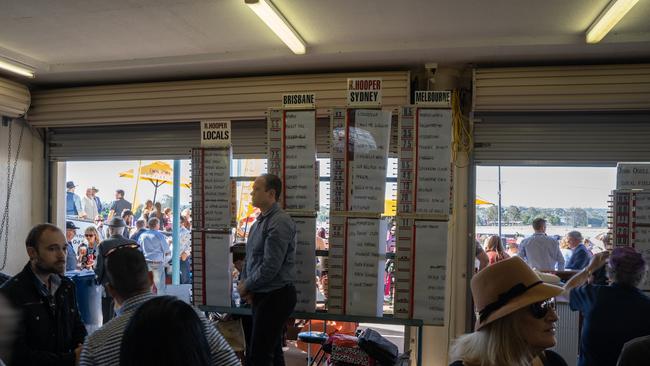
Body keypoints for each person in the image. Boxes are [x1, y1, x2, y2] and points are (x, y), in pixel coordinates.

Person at [79, 245, 239, 366]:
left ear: (110, 290)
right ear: (150, 278)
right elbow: (230, 362)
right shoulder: (190, 316)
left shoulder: (96, 345)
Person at [449, 256, 566, 366]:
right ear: (508, 319)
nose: (554, 316)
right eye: (541, 306)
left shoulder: (552, 362)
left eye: (551, 303)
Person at [0, 223, 87, 366]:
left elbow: (78, 327)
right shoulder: (11, 293)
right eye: (52, 249)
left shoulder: (67, 286)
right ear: (32, 252)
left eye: (64, 248)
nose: (62, 255)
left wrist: (83, 349)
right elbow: (17, 356)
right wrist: (70, 359)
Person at [238, 173, 297, 366]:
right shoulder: (259, 223)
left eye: (256, 189)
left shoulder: (279, 222)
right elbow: (250, 259)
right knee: (271, 351)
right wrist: (247, 286)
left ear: (271, 193)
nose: (251, 193)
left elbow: (271, 266)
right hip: (262, 294)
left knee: (259, 356)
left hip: (276, 296)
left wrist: (247, 284)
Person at [565, 247, 650, 366]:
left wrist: (590, 268)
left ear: (609, 273)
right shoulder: (647, 305)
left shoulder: (594, 295)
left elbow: (566, 290)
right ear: (642, 276)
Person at [95, 217, 138, 323]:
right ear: (123, 229)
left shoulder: (103, 244)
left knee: (108, 319)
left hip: (109, 288)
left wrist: (98, 281)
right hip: (128, 289)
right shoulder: (132, 244)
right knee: (126, 320)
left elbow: (99, 268)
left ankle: (109, 339)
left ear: (110, 229)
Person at [138, 217, 170, 294]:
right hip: (157, 262)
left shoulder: (142, 235)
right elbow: (166, 251)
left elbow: (139, 249)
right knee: (160, 287)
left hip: (146, 262)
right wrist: (166, 261)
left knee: (147, 286)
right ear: (156, 225)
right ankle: (161, 303)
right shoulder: (160, 235)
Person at [179, 215, 192, 284]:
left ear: (182, 223)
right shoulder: (174, 231)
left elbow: (190, 244)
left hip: (183, 258)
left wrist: (186, 253)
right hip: (175, 258)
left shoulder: (186, 232)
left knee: (185, 280)